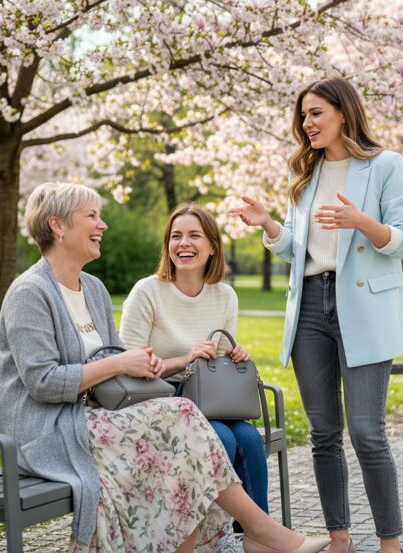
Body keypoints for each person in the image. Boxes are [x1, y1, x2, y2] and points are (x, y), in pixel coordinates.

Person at [0, 182, 329, 553]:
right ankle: (262, 533)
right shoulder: (30, 293)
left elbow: (113, 369)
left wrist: (143, 364)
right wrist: (123, 361)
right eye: (92, 216)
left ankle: (258, 533)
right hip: (49, 432)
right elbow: (42, 383)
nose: (102, 225)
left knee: (184, 448)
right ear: (58, 226)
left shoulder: (92, 289)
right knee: (181, 423)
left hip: (95, 418)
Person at [229, 76, 403, 553]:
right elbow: (297, 252)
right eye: (304, 116)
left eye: (316, 113)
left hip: (365, 308)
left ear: (344, 113)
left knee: (368, 433)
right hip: (311, 305)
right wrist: (270, 224)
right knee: (323, 434)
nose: (307, 123)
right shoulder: (305, 176)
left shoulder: (385, 165)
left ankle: (390, 543)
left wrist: (363, 223)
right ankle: (339, 539)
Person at [120, 203, 269, 552]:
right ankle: (218, 539)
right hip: (159, 398)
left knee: (248, 438)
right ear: (167, 245)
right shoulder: (148, 291)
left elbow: (215, 362)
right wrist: (183, 359)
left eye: (193, 236)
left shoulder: (224, 295)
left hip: (207, 398)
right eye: (176, 236)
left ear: (212, 246)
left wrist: (233, 355)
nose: (183, 244)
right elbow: (127, 363)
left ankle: (257, 537)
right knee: (222, 439)